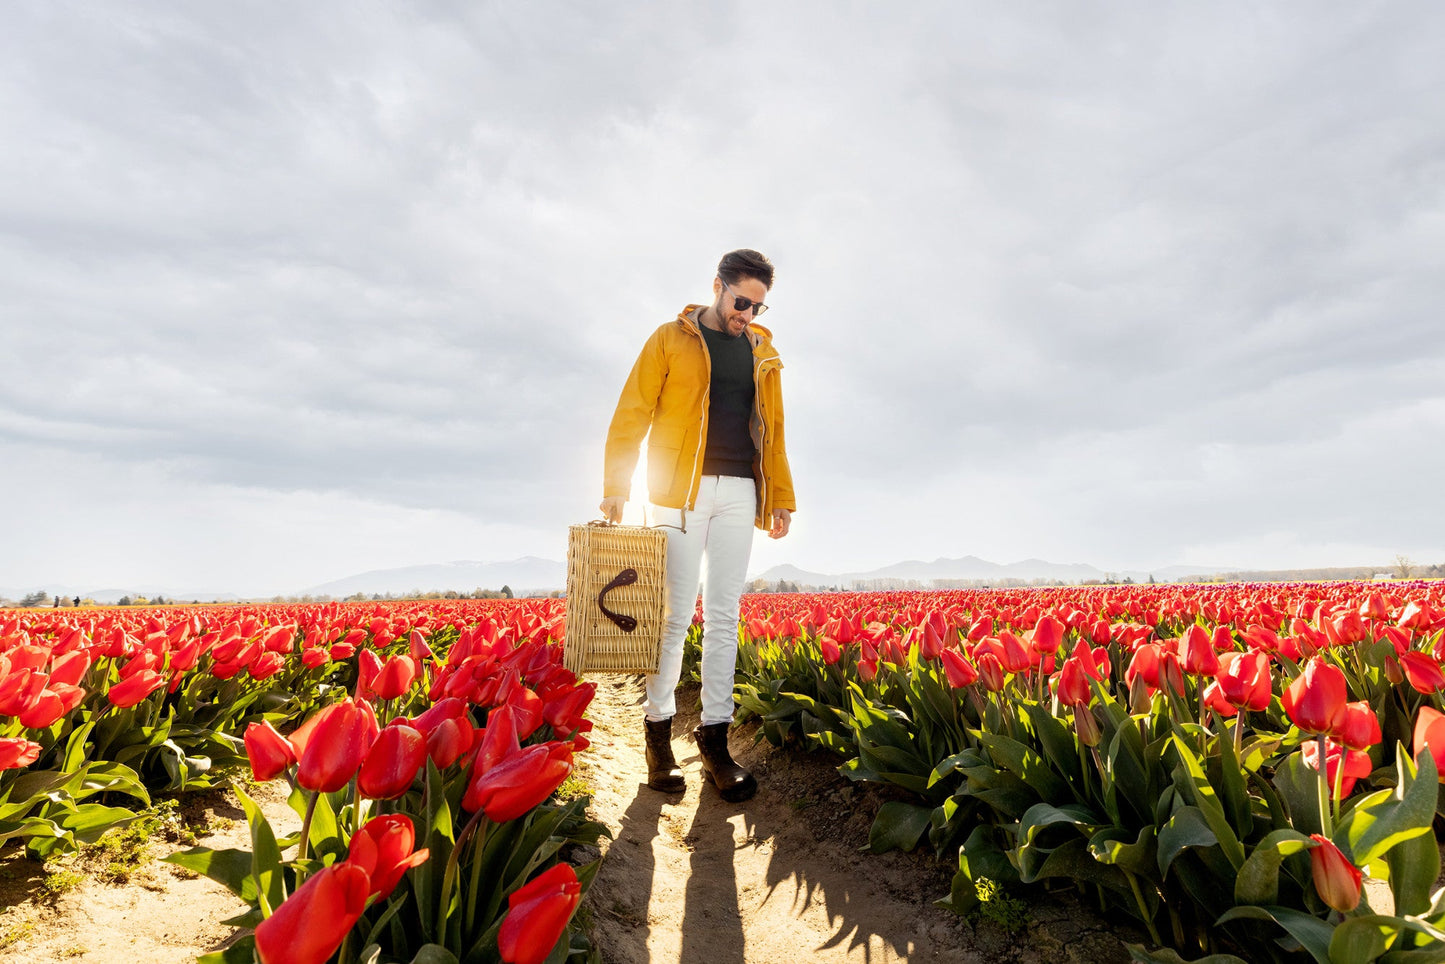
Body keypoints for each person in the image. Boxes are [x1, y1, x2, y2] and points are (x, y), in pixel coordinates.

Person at [600, 248, 795, 803]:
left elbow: (774, 431)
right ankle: (658, 739)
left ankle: (715, 742)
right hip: (677, 495)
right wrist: (617, 486)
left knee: (725, 617)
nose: (747, 315)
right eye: (741, 302)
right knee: (674, 615)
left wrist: (778, 495)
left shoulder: (762, 351)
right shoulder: (670, 338)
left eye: (758, 307)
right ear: (717, 286)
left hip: (739, 492)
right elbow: (632, 410)